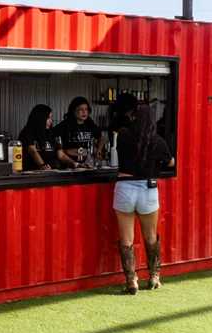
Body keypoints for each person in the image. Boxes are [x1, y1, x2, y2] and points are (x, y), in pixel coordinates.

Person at [112, 98, 173, 294]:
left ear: (133, 117)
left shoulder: (122, 135)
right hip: (148, 189)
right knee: (150, 237)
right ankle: (154, 277)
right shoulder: (158, 141)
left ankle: (131, 281)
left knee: (126, 240)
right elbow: (171, 162)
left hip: (124, 188)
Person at [54, 96, 105, 168]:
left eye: (86, 109)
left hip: (87, 164)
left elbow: (101, 138)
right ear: (73, 111)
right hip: (69, 165)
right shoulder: (64, 126)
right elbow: (57, 147)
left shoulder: (90, 124)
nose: (84, 112)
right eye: (81, 109)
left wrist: (99, 150)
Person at [18, 104, 58, 172]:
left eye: (51, 118)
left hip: (51, 171)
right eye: (48, 118)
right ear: (40, 118)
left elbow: (59, 152)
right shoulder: (27, 132)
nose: (51, 121)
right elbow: (33, 151)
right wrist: (42, 165)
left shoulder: (50, 132)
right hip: (33, 172)